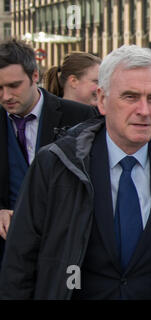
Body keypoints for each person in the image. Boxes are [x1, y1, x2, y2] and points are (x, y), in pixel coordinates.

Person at [0, 45, 151, 299]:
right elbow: (20, 260)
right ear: (102, 100)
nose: (144, 111)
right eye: (130, 97)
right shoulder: (56, 164)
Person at [0, 40, 97, 269]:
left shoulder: (80, 116)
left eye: (14, 85)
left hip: (65, 255)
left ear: (35, 75)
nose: (6, 96)